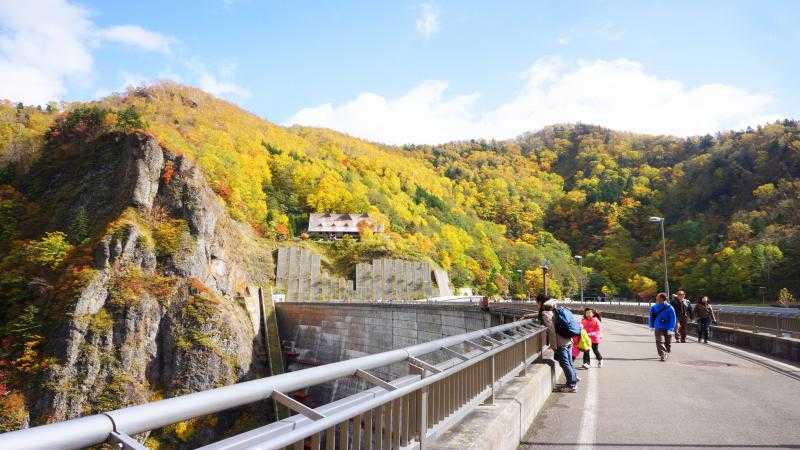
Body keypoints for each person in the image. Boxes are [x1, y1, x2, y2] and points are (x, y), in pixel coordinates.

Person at [540, 299, 579, 392]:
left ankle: (571, 385)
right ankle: (573, 380)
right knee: (569, 362)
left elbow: (552, 331)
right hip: (568, 340)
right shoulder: (561, 311)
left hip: (561, 342)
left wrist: (553, 345)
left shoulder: (546, 314)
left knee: (564, 363)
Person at [650, 292, 677, 361]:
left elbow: (673, 318)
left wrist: (671, 328)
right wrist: (651, 326)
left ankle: (666, 351)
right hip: (658, 326)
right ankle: (662, 354)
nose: (656, 298)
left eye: (657, 297)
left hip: (668, 327)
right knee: (659, 341)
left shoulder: (670, 308)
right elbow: (651, 317)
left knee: (668, 342)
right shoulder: (654, 307)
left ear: (661, 299)